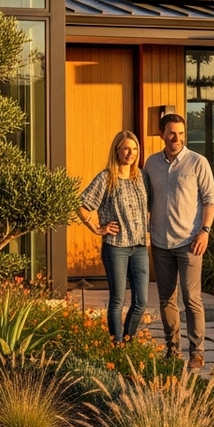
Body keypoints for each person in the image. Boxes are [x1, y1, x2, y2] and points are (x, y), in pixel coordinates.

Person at [144, 113, 214, 370]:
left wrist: (204, 231)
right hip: (161, 243)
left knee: (192, 299)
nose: (176, 138)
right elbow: (144, 199)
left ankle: (197, 352)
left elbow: (211, 200)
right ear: (162, 133)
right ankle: (172, 349)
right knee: (166, 299)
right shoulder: (151, 164)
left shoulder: (198, 162)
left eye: (181, 133)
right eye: (172, 133)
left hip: (190, 241)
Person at [78, 130, 149, 344]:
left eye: (134, 149)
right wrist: (97, 228)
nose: (131, 153)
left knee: (141, 301)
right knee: (118, 299)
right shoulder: (106, 177)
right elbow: (82, 206)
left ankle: (128, 341)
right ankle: (116, 343)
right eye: (126, 148)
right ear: (117, 150)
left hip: (140, 246)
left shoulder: (142, 177)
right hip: (116, 247)